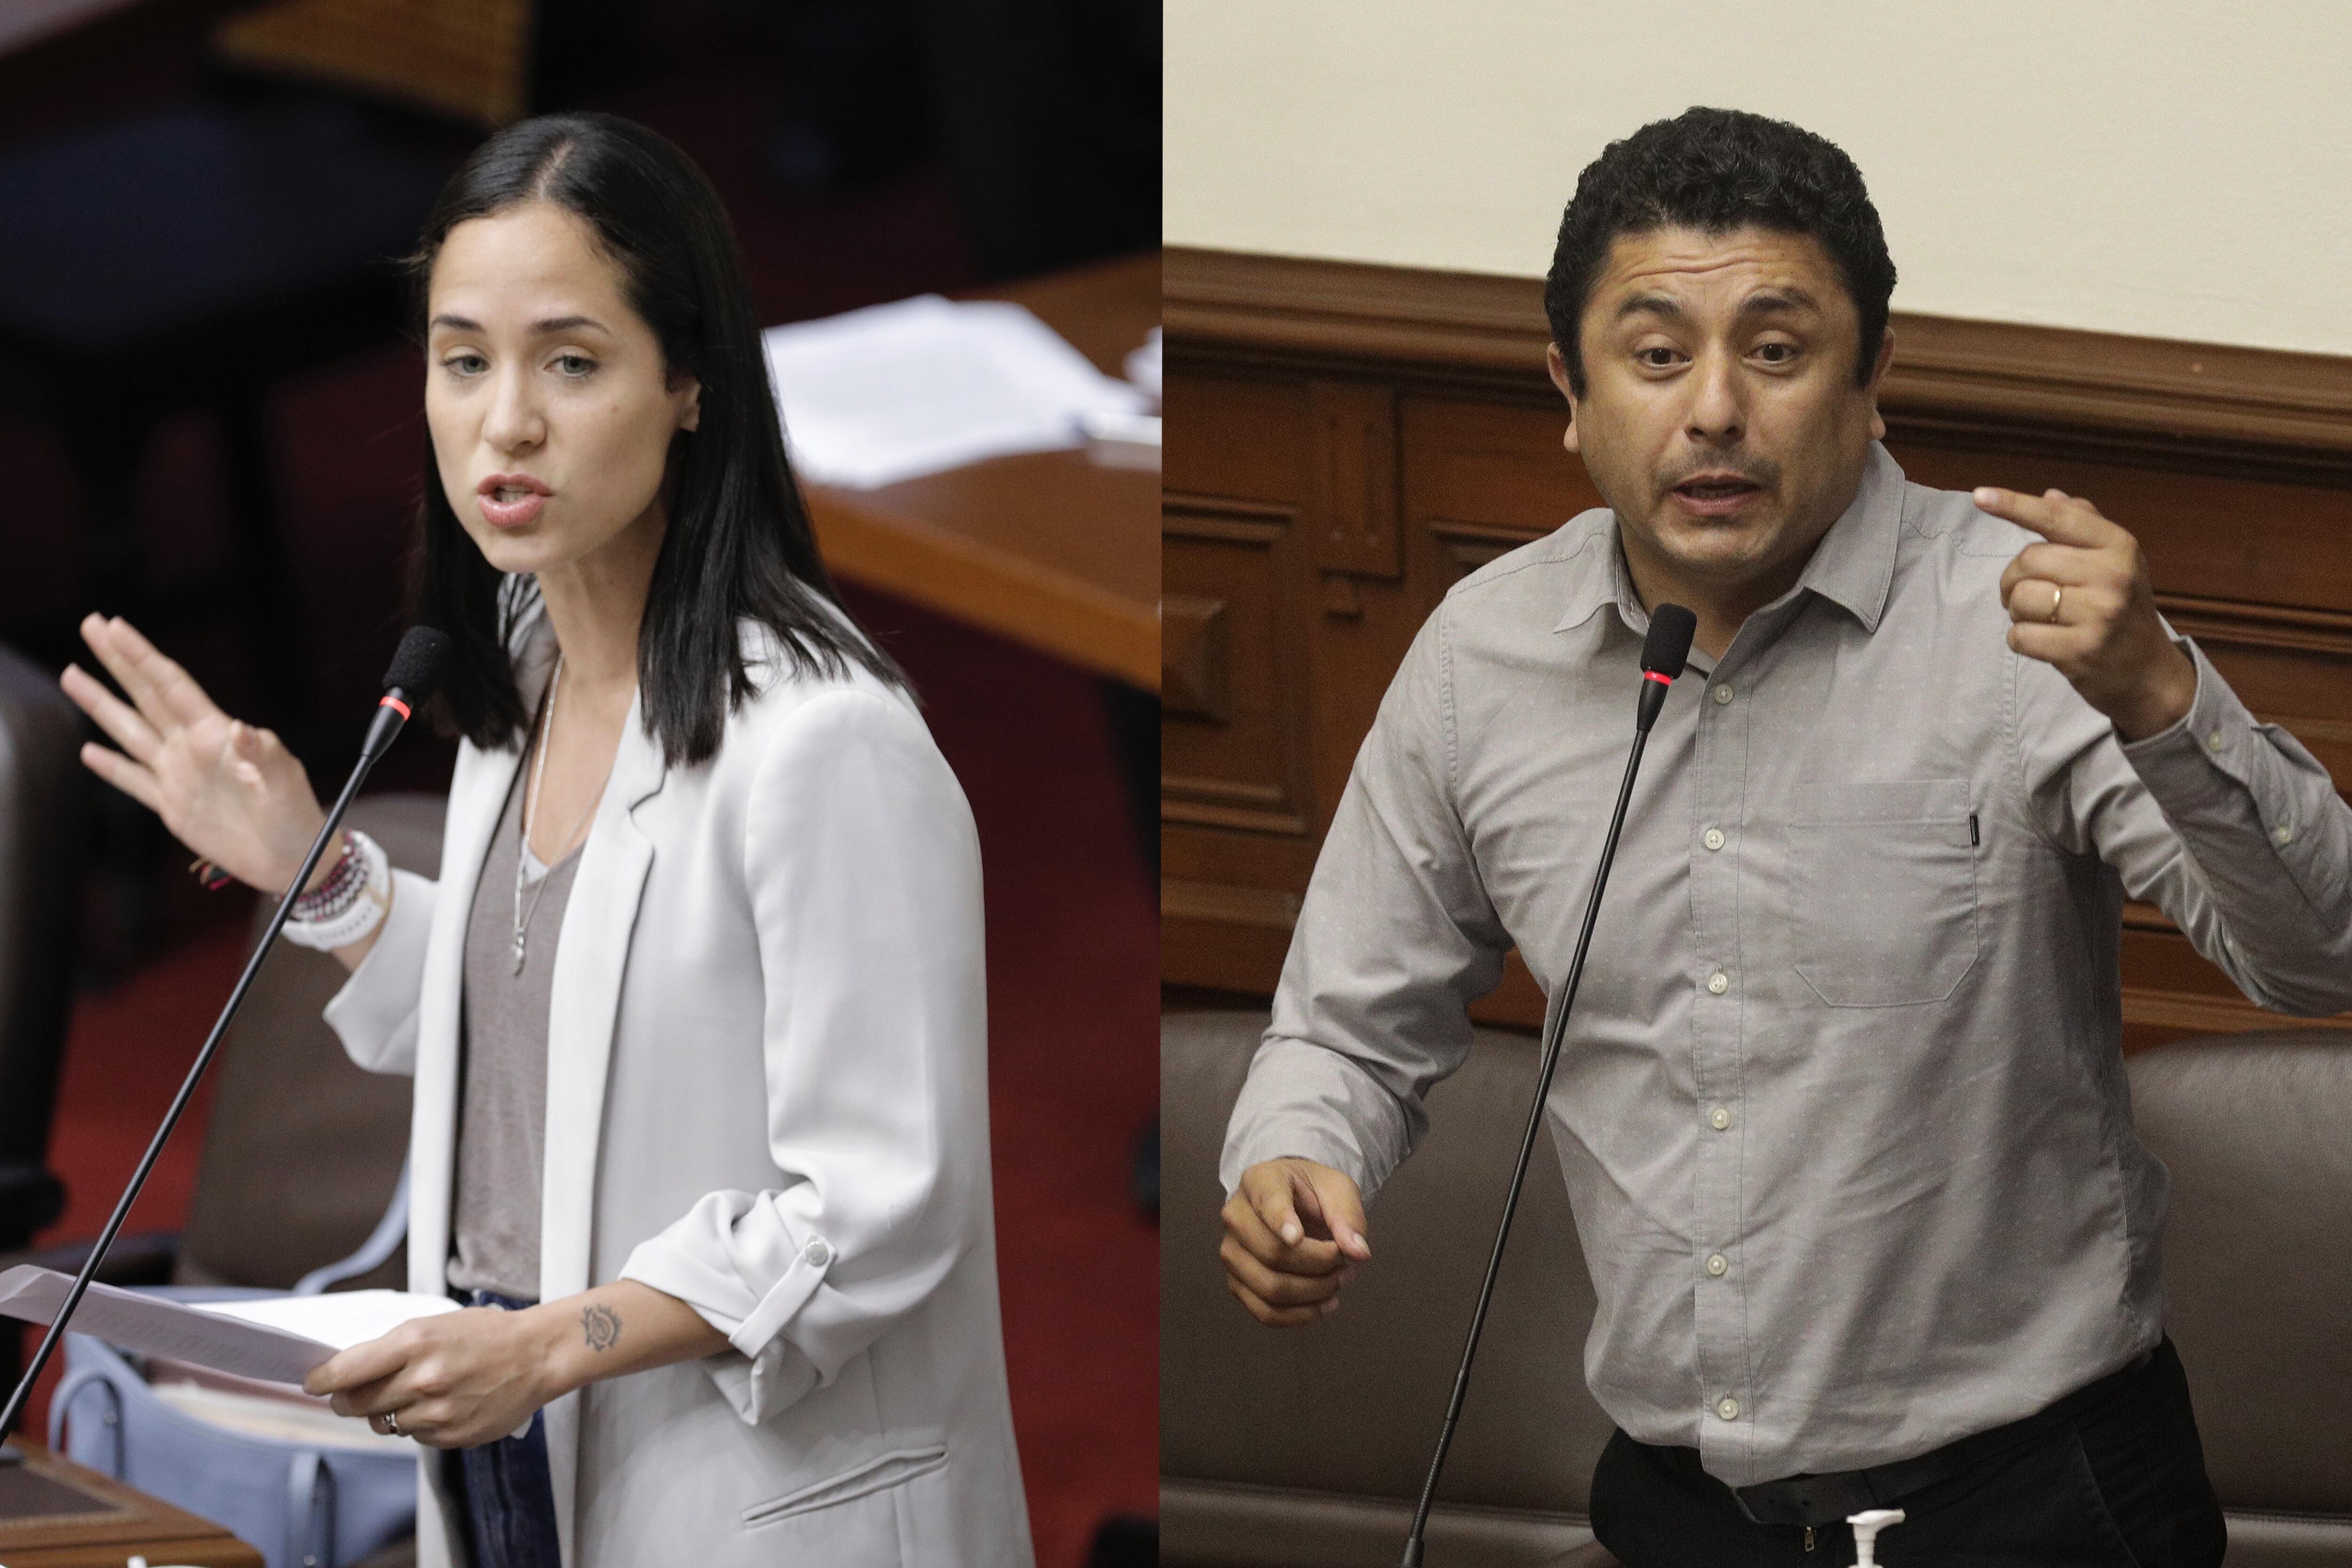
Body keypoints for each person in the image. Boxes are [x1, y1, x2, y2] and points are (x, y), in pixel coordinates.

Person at [1216, 106, 2352, 1567]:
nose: (1712, 413)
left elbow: (2321, 959)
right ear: (1569, 390)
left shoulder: (2029, 619)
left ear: (1875, 377)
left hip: (2038, 1506)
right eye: (1654, 354)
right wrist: (1294, 1162)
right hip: (1685, 1514)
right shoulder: (1482, 654)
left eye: (1774, 348)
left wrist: (2162, 700)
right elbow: (1344, 1036)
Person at [60, 113, 1033, 1568]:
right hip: (508, 1439)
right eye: (464, 360)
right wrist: (308, 869)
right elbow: (525, 1032)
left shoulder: (827, 745)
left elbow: (885, 1211)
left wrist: (555, 1347)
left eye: (569, 363)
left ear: (689, 381)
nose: (503, 421)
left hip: (742, 1487)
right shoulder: (518, 659)